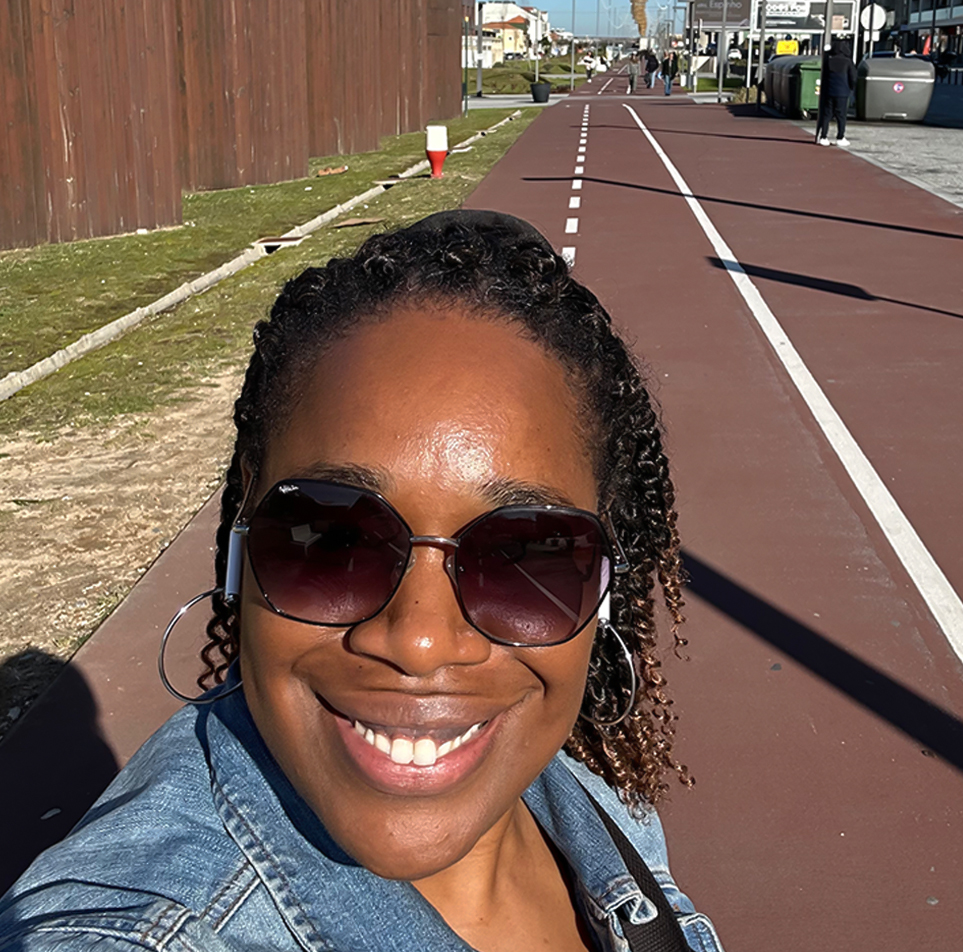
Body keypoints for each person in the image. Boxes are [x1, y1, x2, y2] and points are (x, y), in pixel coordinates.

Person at [0, 212, 721, 952]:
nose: (418, 640)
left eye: (525, 554)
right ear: (242, 538)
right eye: (336, 537)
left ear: (603, 585)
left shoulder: (590, 800)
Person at [817, 38, 857, 147]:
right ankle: (840, 137)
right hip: (842, 92)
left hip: (829, 91)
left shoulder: (828, 61)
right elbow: (853, 77)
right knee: (841, 116)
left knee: (827, 115)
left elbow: (824, 76)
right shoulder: (847, 62)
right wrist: (852, 88)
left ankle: (823, 136)